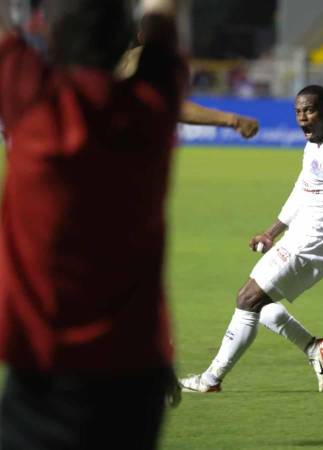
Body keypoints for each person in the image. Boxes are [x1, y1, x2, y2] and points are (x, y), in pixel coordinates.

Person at [0, 0, 185, 448]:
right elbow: (161, 19)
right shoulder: (151, 109)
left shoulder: (34, 108)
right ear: (126, 41)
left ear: (55, 40)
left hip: (42, 369)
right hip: (136, 376)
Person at [179, 85, 323, 394]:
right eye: (298, 112)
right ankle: (313, 348)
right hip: (300, 236)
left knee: (246, 298)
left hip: (313, 242)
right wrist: (271, 231)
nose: (302, 118)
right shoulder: (314, 145)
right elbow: (301, 191)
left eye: (309, 111)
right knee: (259, 305)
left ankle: (211, 380)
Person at [117, 44, 260, 138]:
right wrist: (233, 120)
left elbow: (173, 107)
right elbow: (174, 108)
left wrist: (233, 120)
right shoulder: (138, 59)